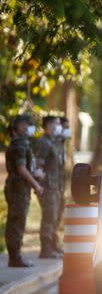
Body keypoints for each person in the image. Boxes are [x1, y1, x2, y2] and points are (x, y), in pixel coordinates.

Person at [4, 114, 44, 267]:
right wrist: (36, 185)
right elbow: (21, 169)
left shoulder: (21, 143)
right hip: (18, 189)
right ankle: (15, 258)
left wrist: (35, 175)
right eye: (23, 124)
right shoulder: (20, 144)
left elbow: (23, 168)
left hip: (18, 188)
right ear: (16, 127)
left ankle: (15, 256)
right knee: (17, 223)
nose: (27, 126)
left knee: (16, 221)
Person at [35, 116, 64, 258]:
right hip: (47, 187)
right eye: (55, 123)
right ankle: (45, 249)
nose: (57, 126)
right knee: (49, 217)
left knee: (54, 217)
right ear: (47, 125)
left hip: (54, 186)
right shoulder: (43, 142)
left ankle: (52, 246)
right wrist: (39, 185)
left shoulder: (53, 142)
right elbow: (39, 165)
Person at [55, 115, 71, 247]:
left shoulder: (62, 144)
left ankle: (54, 245)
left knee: (58, 215)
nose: (68, 130)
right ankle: (49, 247)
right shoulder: (53, 143)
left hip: (59, 185)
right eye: (65, 127)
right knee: (52, 216)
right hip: (52, 185)